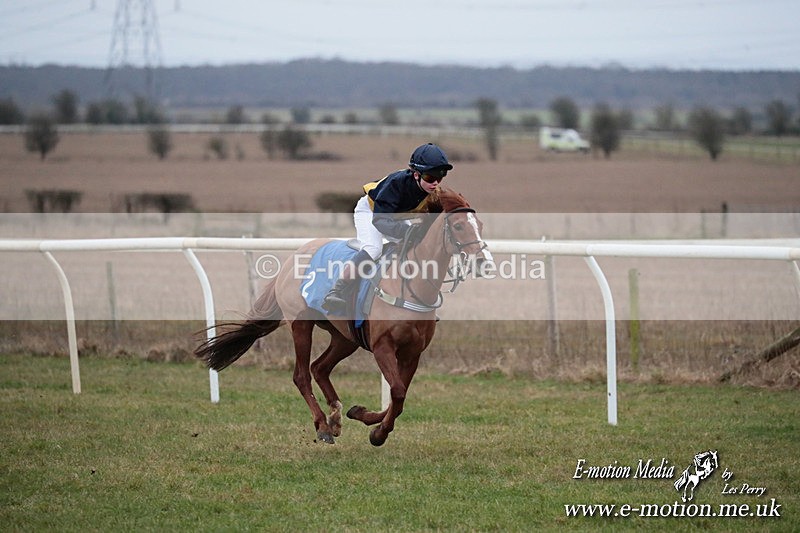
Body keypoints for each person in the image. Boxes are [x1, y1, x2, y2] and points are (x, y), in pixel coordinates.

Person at [322, 142, 453, 314]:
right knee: (373, 249)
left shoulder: (434, 193)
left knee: (415, 248)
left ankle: (415, 303)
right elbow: (380, 221)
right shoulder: (396, 183)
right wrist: (407, 232)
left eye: (440, 178)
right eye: (429, 178)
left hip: (395, 217)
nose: (435, 183)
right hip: (372, 212)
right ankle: (337, 289)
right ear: (416, 174)